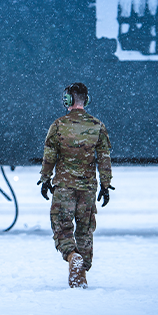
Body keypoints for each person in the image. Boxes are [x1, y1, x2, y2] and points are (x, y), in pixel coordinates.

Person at [38, 82, 114, 288]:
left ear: (68, 101)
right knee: (85, 230)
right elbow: (104, 157)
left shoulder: (58, 125)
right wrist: (106, 184)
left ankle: (72, 256)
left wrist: (45, 178)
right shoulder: (97, 125)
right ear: (86, 100)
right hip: (88, 188)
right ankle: (81, 272)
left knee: (62, 227)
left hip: (64, 186)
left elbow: (49, 156)